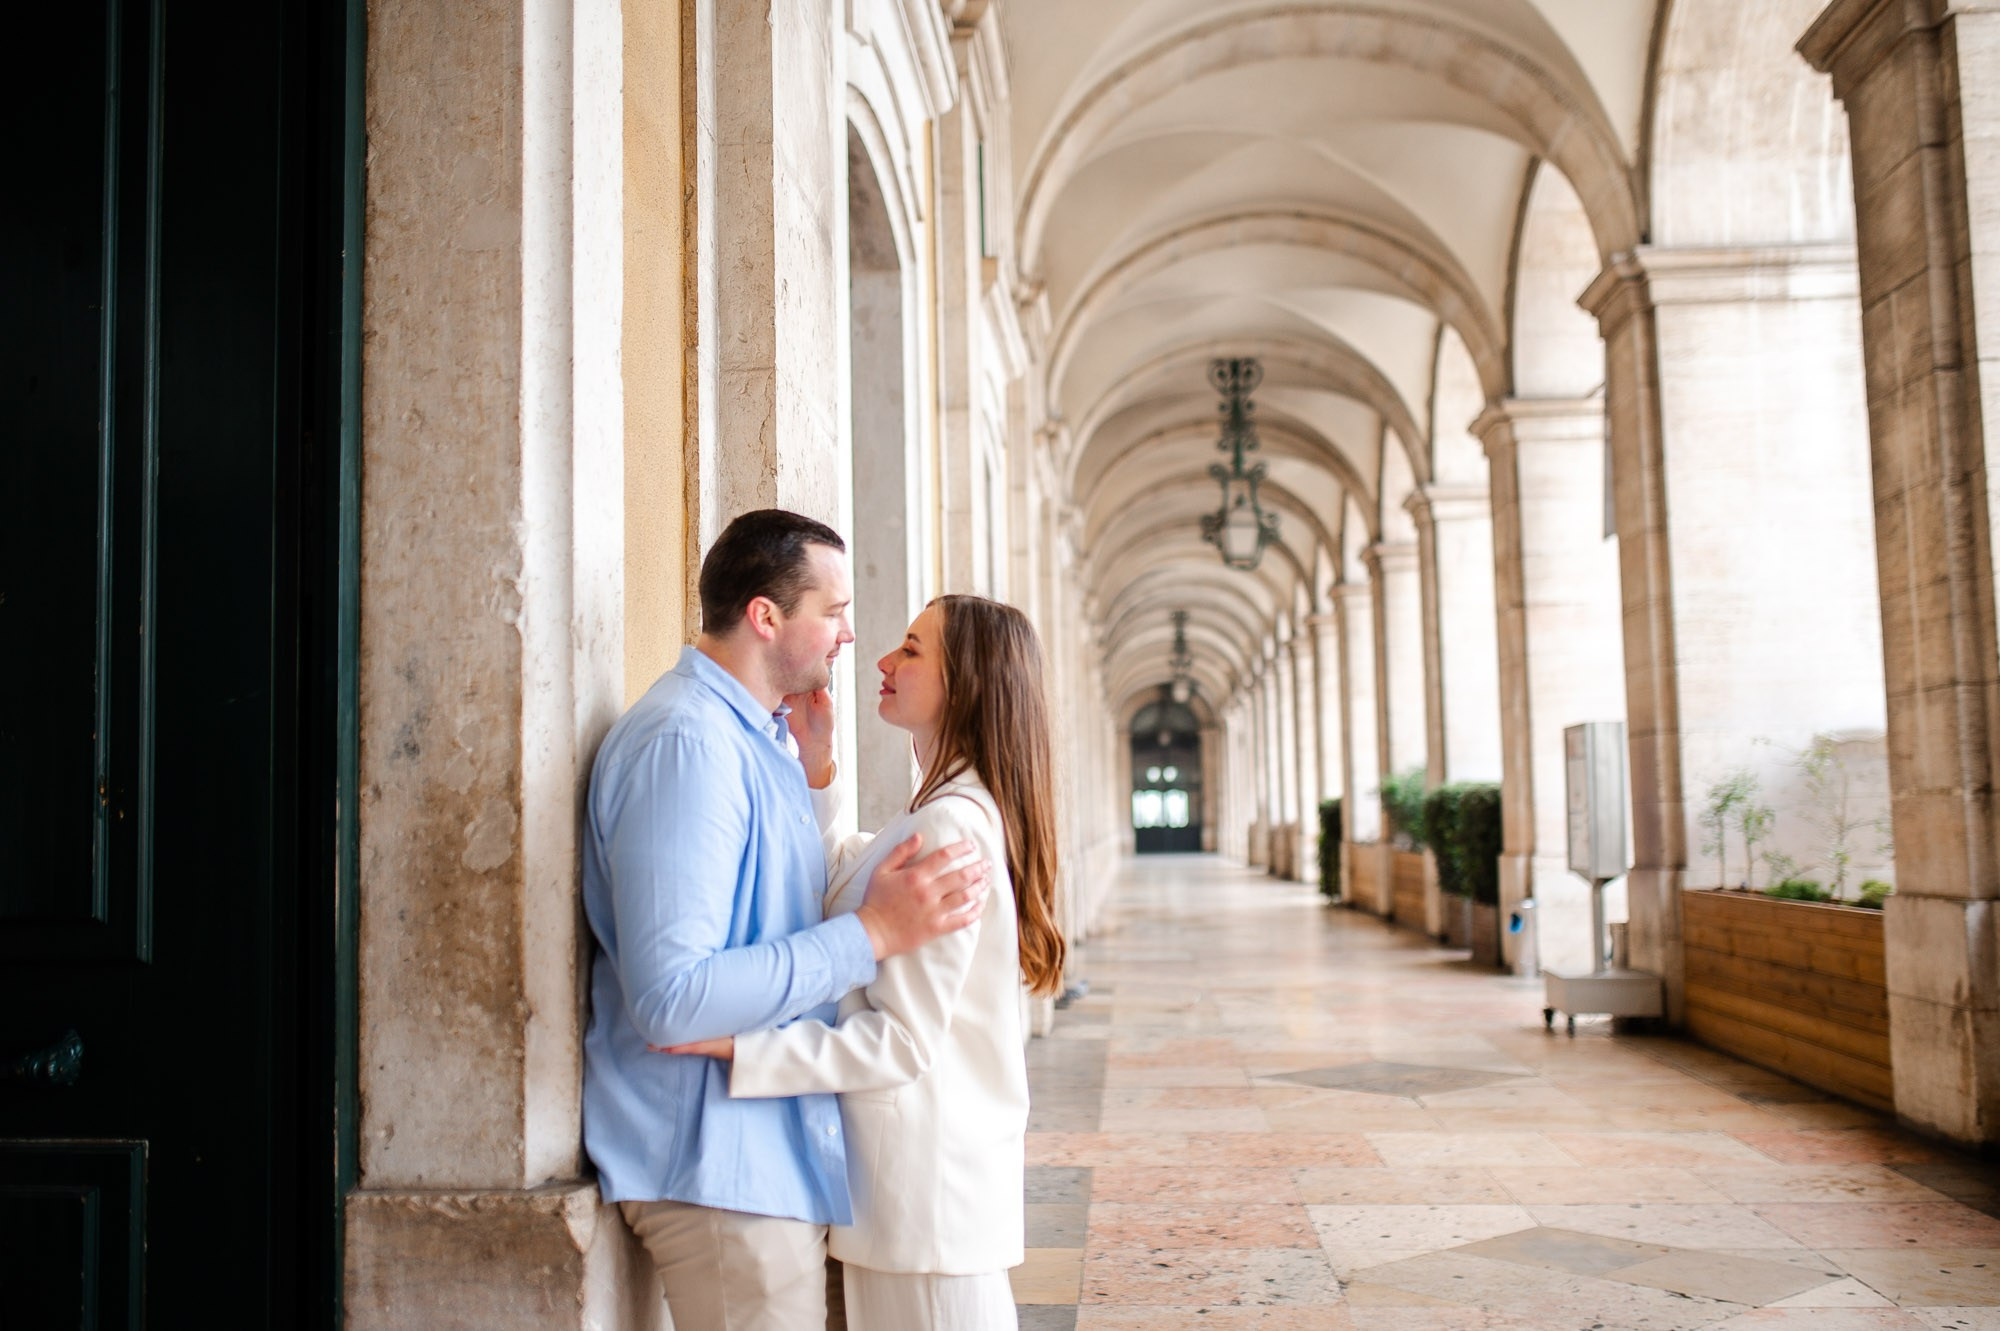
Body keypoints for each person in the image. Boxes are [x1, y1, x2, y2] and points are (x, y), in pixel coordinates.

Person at [581, 509, 992, 1331]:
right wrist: (871, 935)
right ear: (766, 617)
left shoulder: (753, 737)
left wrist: (814, 777)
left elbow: (772, 907)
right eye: (833, 612)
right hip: (714, 1164)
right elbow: (673, 997)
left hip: (763, 1154)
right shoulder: (687, 743)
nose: (848, 635)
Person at [669, 593, 1066, 1330]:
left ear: (967, 682)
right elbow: (842, 890)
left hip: (923, 1214)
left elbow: (899, 1041)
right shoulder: (942, 808)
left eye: (912, 650)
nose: (883, 660)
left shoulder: (951, 825)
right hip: (917, 1209)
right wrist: (819, 771)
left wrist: (741, 1048)